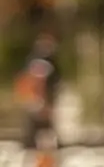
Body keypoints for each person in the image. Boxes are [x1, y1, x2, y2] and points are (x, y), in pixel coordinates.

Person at [15, 28, 61, 167]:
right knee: (41, 134)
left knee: (43, 135)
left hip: (38, 103)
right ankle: (42, 162)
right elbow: (35, 82)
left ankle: (44, 161)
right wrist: (42, 102)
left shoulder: (41, 60)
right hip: (39, 103)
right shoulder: (41, 61)